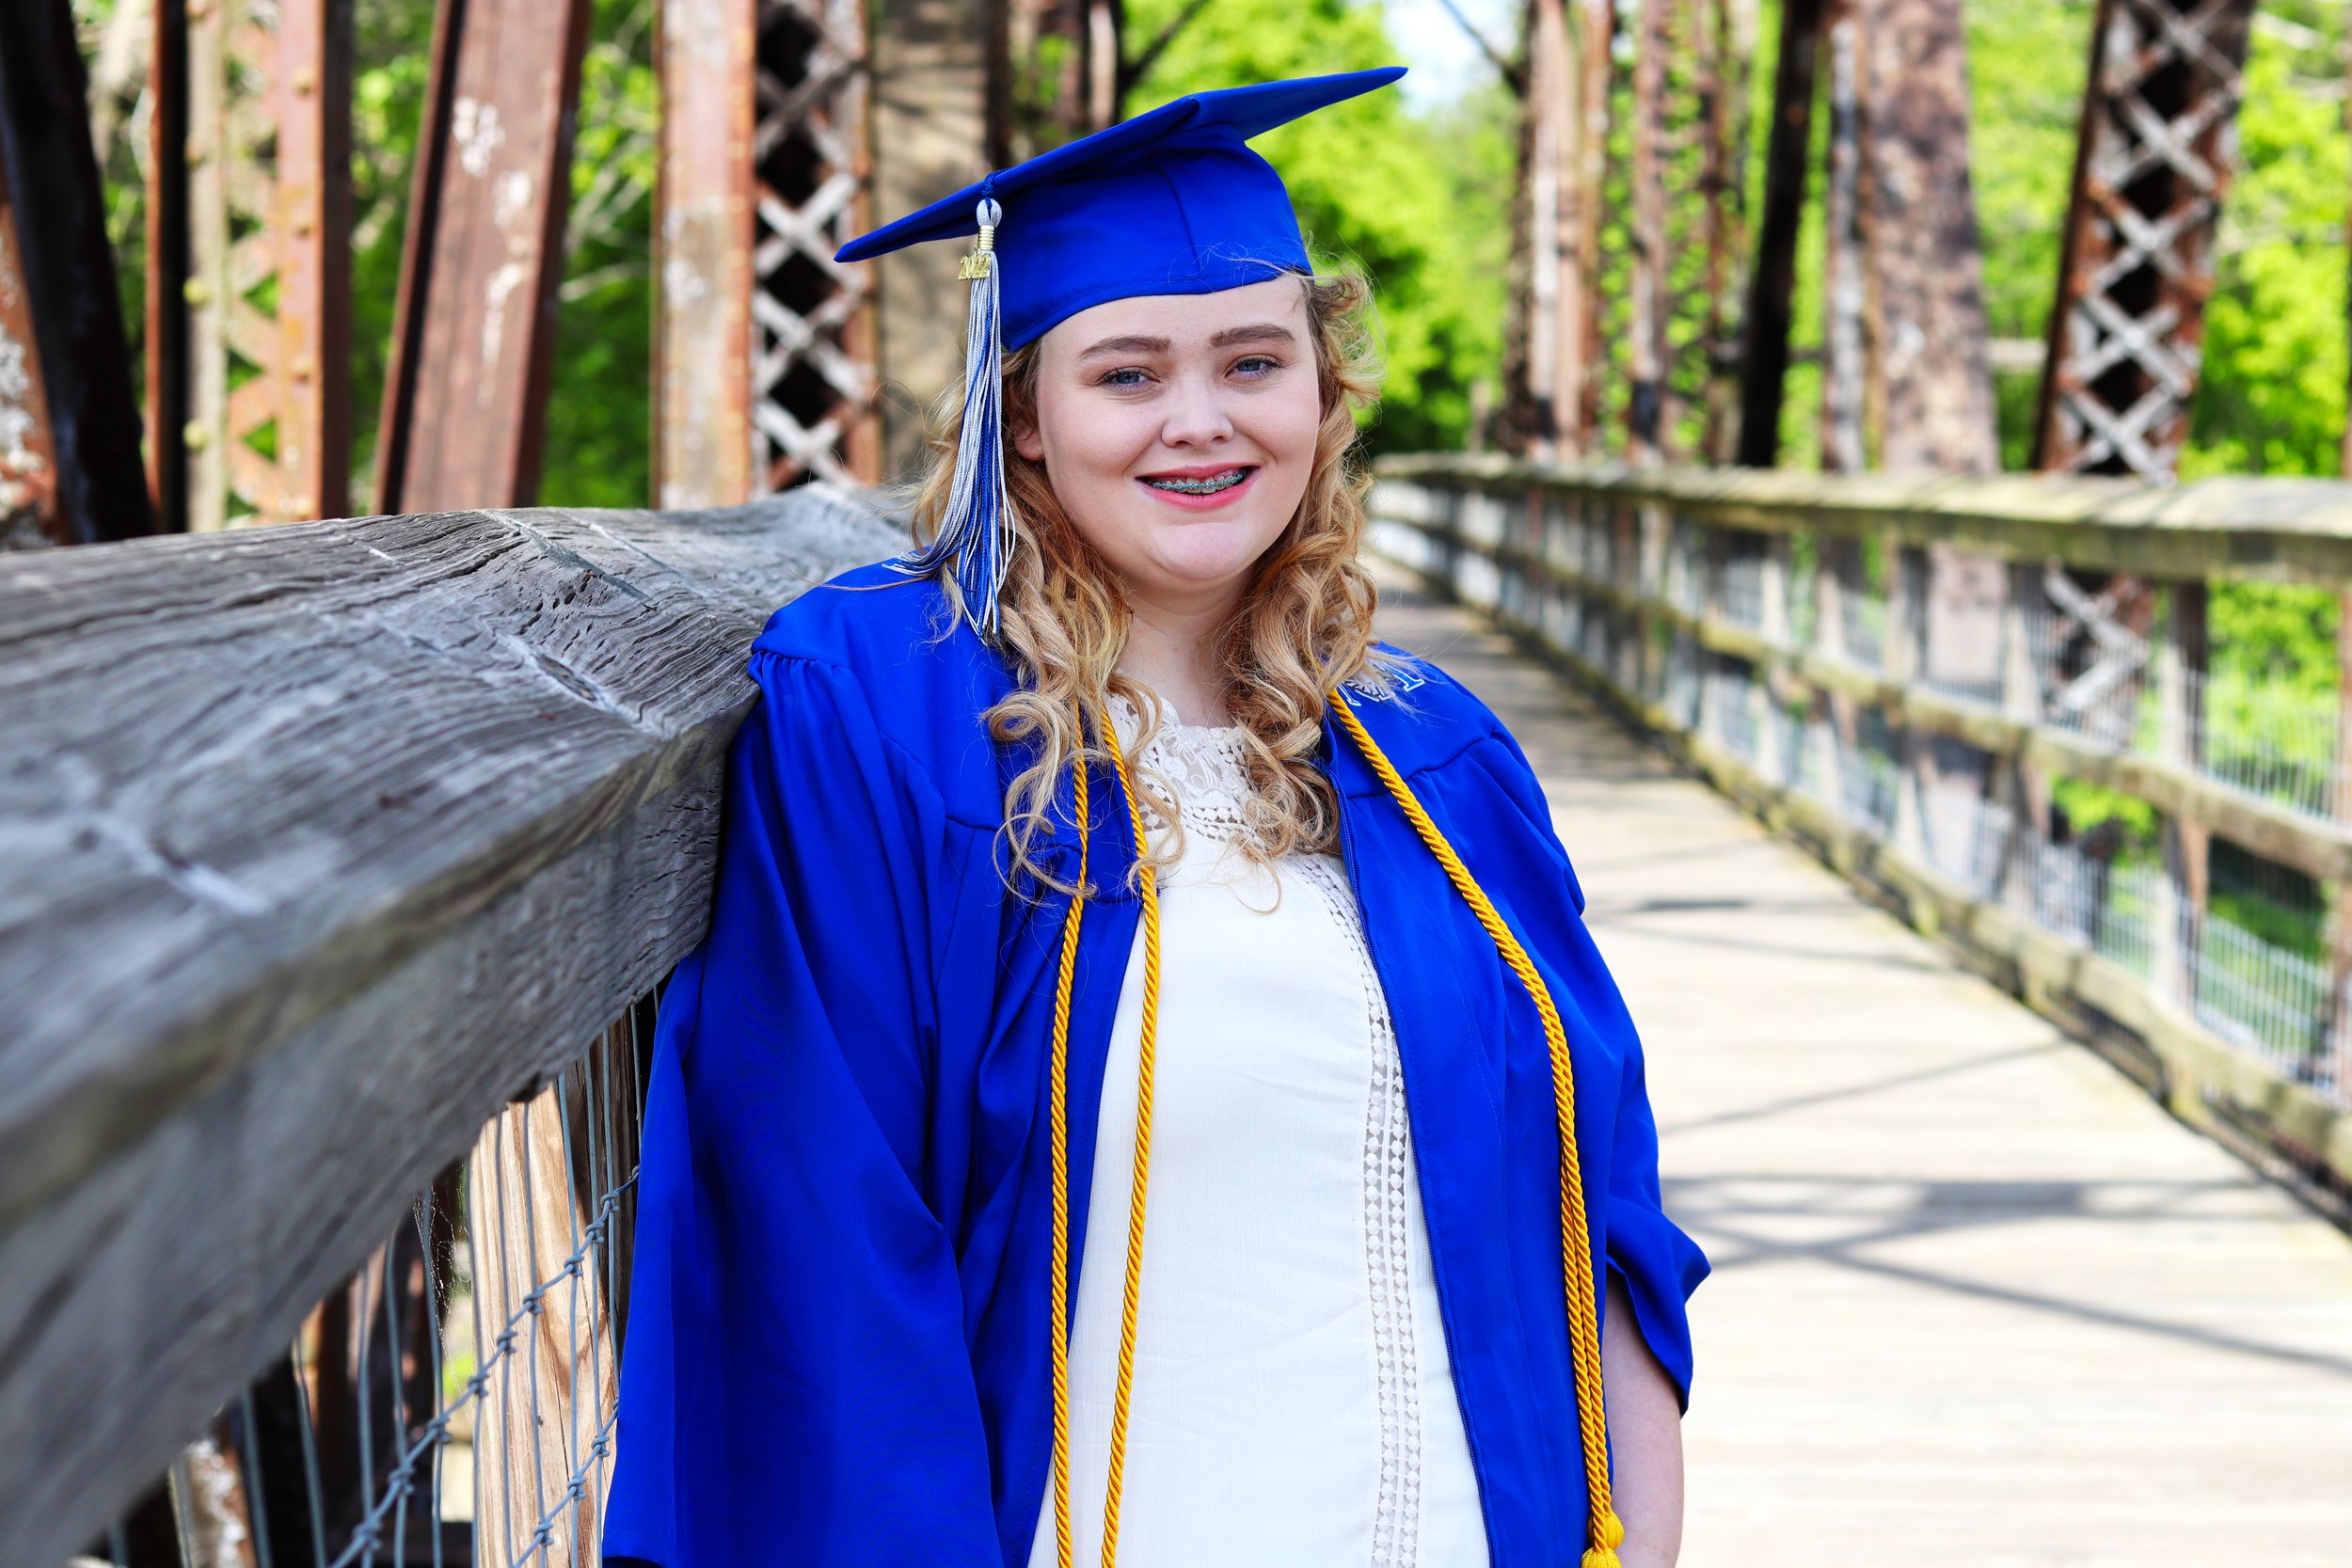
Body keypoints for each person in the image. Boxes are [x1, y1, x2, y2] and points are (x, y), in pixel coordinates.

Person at [600, 67, 1707, 1568]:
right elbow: (824, 1239)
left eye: (1254, 362)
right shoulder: (888, 709)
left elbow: (1604, 1214)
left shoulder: (1432, 749)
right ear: (1028, 418)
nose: (1202, 421)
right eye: (1128, 373)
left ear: (1322, 393)